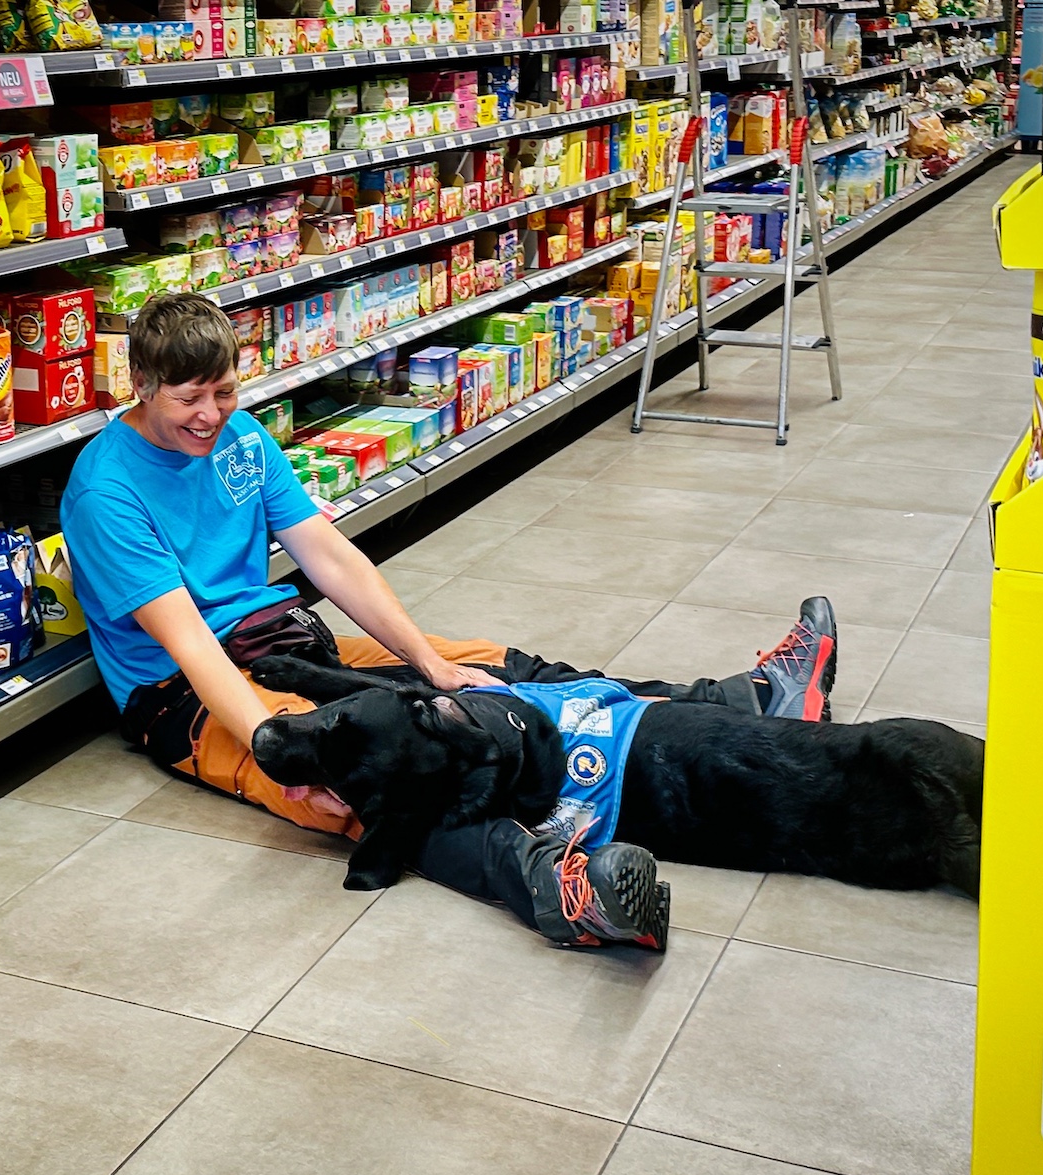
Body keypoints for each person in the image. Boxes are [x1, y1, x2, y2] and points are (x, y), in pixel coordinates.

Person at [59, 295, 838, 953]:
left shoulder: (242, 437)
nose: (210, 416)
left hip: (284, 639)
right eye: (187, 399)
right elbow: (189, 643)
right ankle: (558, 890)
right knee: (375, 775)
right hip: (184, 694)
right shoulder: (106, 489)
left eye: (224, 392)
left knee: (496, 668)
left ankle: (739, 699)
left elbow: (332, 561)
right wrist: (276, 750)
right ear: (141, 385)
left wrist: (426, 660)